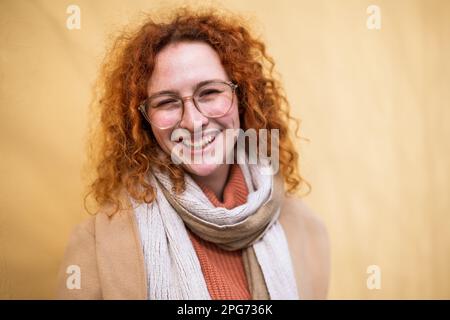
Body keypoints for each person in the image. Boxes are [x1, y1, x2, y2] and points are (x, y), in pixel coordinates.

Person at [57, 7, 330, 300]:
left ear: (242, 97)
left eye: (210, 92)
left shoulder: (304, 230)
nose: (193, 121)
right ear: (144, 120)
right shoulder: (98, 246)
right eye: (167, 102)